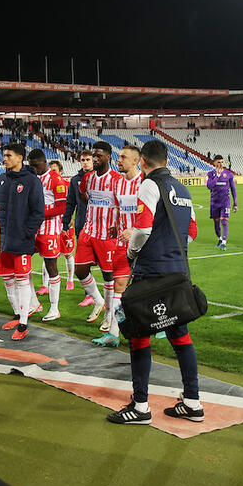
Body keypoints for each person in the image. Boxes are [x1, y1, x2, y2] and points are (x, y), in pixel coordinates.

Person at [108, 140, 203, 425]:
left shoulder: (149, 185)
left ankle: (140, 407)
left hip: (151, 271)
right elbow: (193, 231)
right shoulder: (183, 189)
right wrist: (172, 250)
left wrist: (132, 253)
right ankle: (193, 402)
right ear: (166, 160)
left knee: (139, 335)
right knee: (180, 336)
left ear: (143, 162)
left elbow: (143, 227)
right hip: (177, 271)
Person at [0, 143, 45, 340]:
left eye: (8, 155)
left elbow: (38, 212)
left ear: (20, 158)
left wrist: (26, 234)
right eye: (4, 155)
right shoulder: (0, 179)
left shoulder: (32, 181)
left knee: (22, 281)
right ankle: (17, 315)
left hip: (21, 242)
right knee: (8, 280)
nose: (4, 159)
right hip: (3, 242)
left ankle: (23, 324)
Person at [76, 141, 127, 334]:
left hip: (107, 235)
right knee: (80, 270)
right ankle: (98, 301)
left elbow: (124, 205)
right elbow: (82, 194)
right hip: (88, 231)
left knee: (109, 276)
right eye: (93, 155)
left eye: (98, 156)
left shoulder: (117, 180)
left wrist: (117, 224)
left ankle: (108, 316)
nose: (95, 159)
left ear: (108, 157)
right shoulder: (87, 178)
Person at [95, 145, 140, 347]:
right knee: (118, 286)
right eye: (119, 156)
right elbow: (118, 208)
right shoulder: (119, 183)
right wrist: (116, 225)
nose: (119, 160)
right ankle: (113, 334)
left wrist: (135, 230)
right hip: (122, 243)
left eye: (123, 157)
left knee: (147, 287)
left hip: (143, 244)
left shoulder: (144, 183)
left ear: (135, 161)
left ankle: (161, 326)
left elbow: (153, 214)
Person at [26, 149, 68, 322]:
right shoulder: (31, 178)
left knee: (51, 266)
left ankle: (54, 308)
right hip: (31, 228)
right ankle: (33, 303)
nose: (34, 168)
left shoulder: (56, 180)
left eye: (36, 165)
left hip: (49, 228)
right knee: (23, 263)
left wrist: (38, 214)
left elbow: (61, 208)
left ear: (44, 162)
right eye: (31, 165)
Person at [62, 150, 93, 293]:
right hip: (81, 224)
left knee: (103, 260)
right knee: (84, 261)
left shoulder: (99, 178)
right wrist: (66, 222)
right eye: (83, 160)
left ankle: (111, 293)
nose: (85, 162)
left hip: (99, 225)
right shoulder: (75, 180)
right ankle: (89, 294)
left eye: (88, 160)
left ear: (93, 161)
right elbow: (70, 203)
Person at [205, 155, 237, 250]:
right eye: (219, 162)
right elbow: (209, 186)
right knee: (216, 224)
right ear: (214, 163)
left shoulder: (229, 174)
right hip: (214, 203)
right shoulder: (210, 174)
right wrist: (217, 176)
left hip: (225, 202)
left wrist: (235, 203)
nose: (221, 164)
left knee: (224, 221)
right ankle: (219, 238)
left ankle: (224, 242)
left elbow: (233, 189)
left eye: (222, 162)